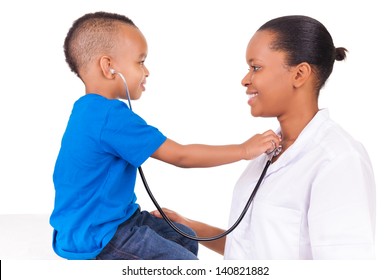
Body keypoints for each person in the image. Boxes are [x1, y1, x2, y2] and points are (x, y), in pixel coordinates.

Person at [49, 11, 281, 260]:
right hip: (100, 235)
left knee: (182, 234)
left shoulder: (87, 109)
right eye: (140, 62)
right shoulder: (109, 117)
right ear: (109, 67)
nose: (146, 71)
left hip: (108, 220)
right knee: (186, 264)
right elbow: (180, 155)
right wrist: (243, 150)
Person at [152, 15, 376, 259]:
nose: (245, 80)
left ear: (299, 74)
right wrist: (191, 228)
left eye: (255, 67)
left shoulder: (339, 160)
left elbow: (346, 268)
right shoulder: (268, 151)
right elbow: (255, 250)